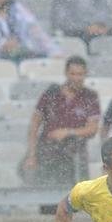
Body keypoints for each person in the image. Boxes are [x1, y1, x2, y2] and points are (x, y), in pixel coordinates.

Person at [24, 56, 102, 186]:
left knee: (76, 199)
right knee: (47, 197)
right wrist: (32, 155)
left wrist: (67, 132)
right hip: (48, 152)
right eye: (73, 74)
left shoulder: (90, 96)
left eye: (80, 74)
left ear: (85, 74)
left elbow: (92, 129)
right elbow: (34, 125)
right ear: (66, 73)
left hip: (75, 155)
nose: (76, 78)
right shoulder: (51, 93)